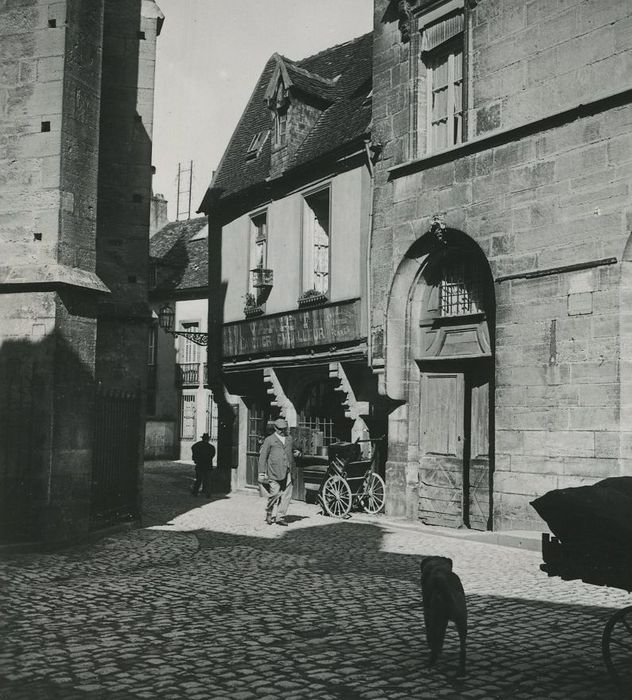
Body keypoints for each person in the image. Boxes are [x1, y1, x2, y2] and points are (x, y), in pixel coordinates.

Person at [258, 418, 299, 526]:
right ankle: (269, 511)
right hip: (274, 471)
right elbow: (263, 457)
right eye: (280, 429)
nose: (282, 431)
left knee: (286, 495)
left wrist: (298, 452)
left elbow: (295, 449)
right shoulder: (269, 440)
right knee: (275, 494)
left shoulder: (289, 439)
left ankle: (280, 517)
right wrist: (261, 472)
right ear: (275, 428)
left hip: (289, 470)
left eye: (284, 429)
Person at [191, 432, 216, 498]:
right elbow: (212, 455)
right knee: (207, 480)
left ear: (202, 438)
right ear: (208, 439)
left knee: (199, 479)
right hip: (208, 465)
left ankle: (195, 492)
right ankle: (208, 494)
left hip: (200, 465)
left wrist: (195, 458)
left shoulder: (197, 445)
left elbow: (193, 448)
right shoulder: (211, 447)